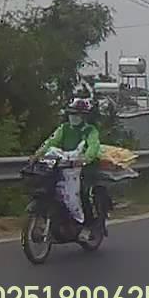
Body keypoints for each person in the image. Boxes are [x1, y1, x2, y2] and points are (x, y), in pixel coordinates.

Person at [36, 97, 102, 234]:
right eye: (72, 113)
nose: (74, 117)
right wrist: (38, 154)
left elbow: (93, 146)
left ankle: (87, 225)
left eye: (77, 114)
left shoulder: (90, 130)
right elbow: (51, 142)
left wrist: (85, 159)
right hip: (64, 165)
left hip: (83, 168)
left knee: (83, 194)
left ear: (83, 116)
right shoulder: (64, 128)